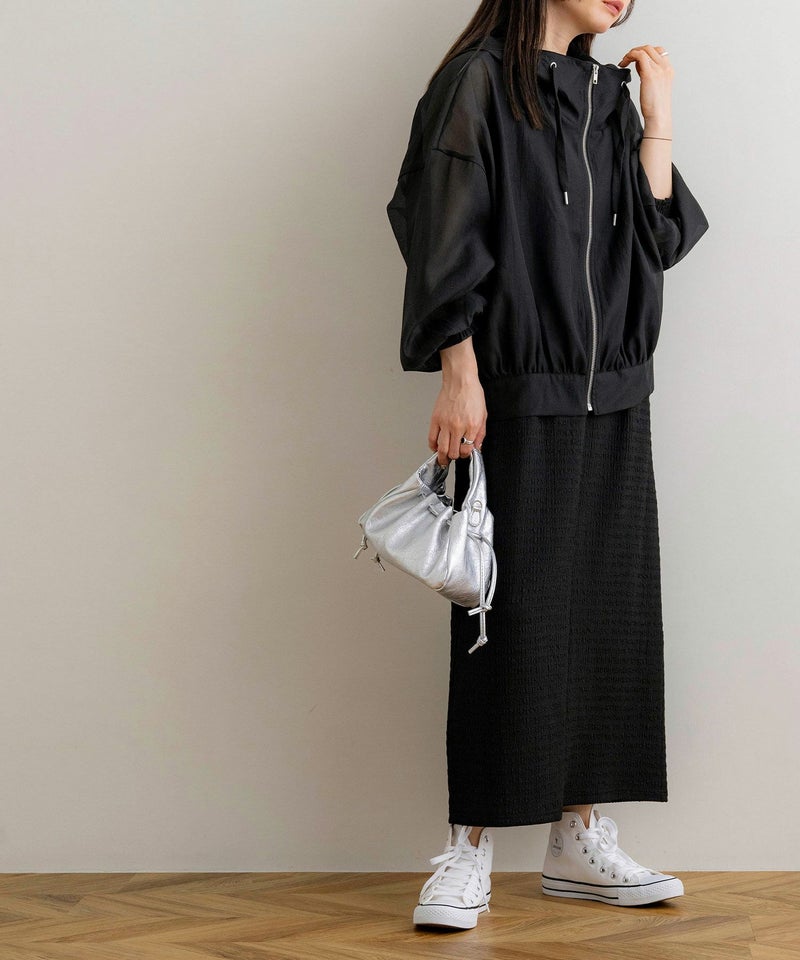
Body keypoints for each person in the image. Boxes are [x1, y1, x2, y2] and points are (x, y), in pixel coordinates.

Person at [385, 0, 709, 931]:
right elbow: (440, 229)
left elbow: (658, 241)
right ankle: (468, 847)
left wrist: (657, 118)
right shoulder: (479, 82)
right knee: (505, 621)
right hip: (515, 389)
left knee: (607, 617)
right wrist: (459, 372)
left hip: (618, 393)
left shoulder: (607, 94)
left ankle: (578, 838)